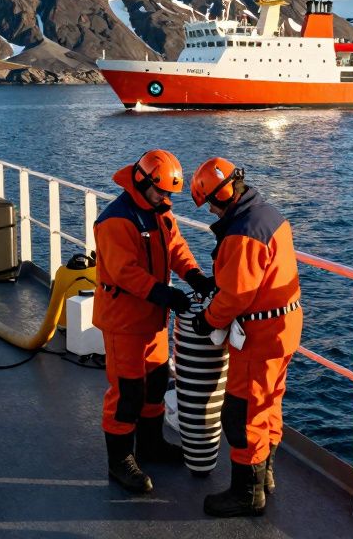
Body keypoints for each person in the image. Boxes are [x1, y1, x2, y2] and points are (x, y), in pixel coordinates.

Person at [93, 149, 216, 494]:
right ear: (143, 182)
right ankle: (119, 460)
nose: (166, 199)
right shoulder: (116, 220)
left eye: (169, 195)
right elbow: (123, 272)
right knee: (127, 393)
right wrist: (165, 294)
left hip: (153, 319)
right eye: (161, 192)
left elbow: (175, 248)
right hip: (124, 321)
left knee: (157, 382)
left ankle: (150, 446)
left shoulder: (159, 213)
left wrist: (194, 276)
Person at [189, 157, 302, 517]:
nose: (208, 209)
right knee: (269, 404)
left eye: (208, 202)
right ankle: (265, 475)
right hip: (284, 327)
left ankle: (247, 493)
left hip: (259, 336)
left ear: (219, 198)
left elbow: (237, 294)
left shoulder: (242, 234)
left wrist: (206, 320)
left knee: (241, 414)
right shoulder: (269, 215)